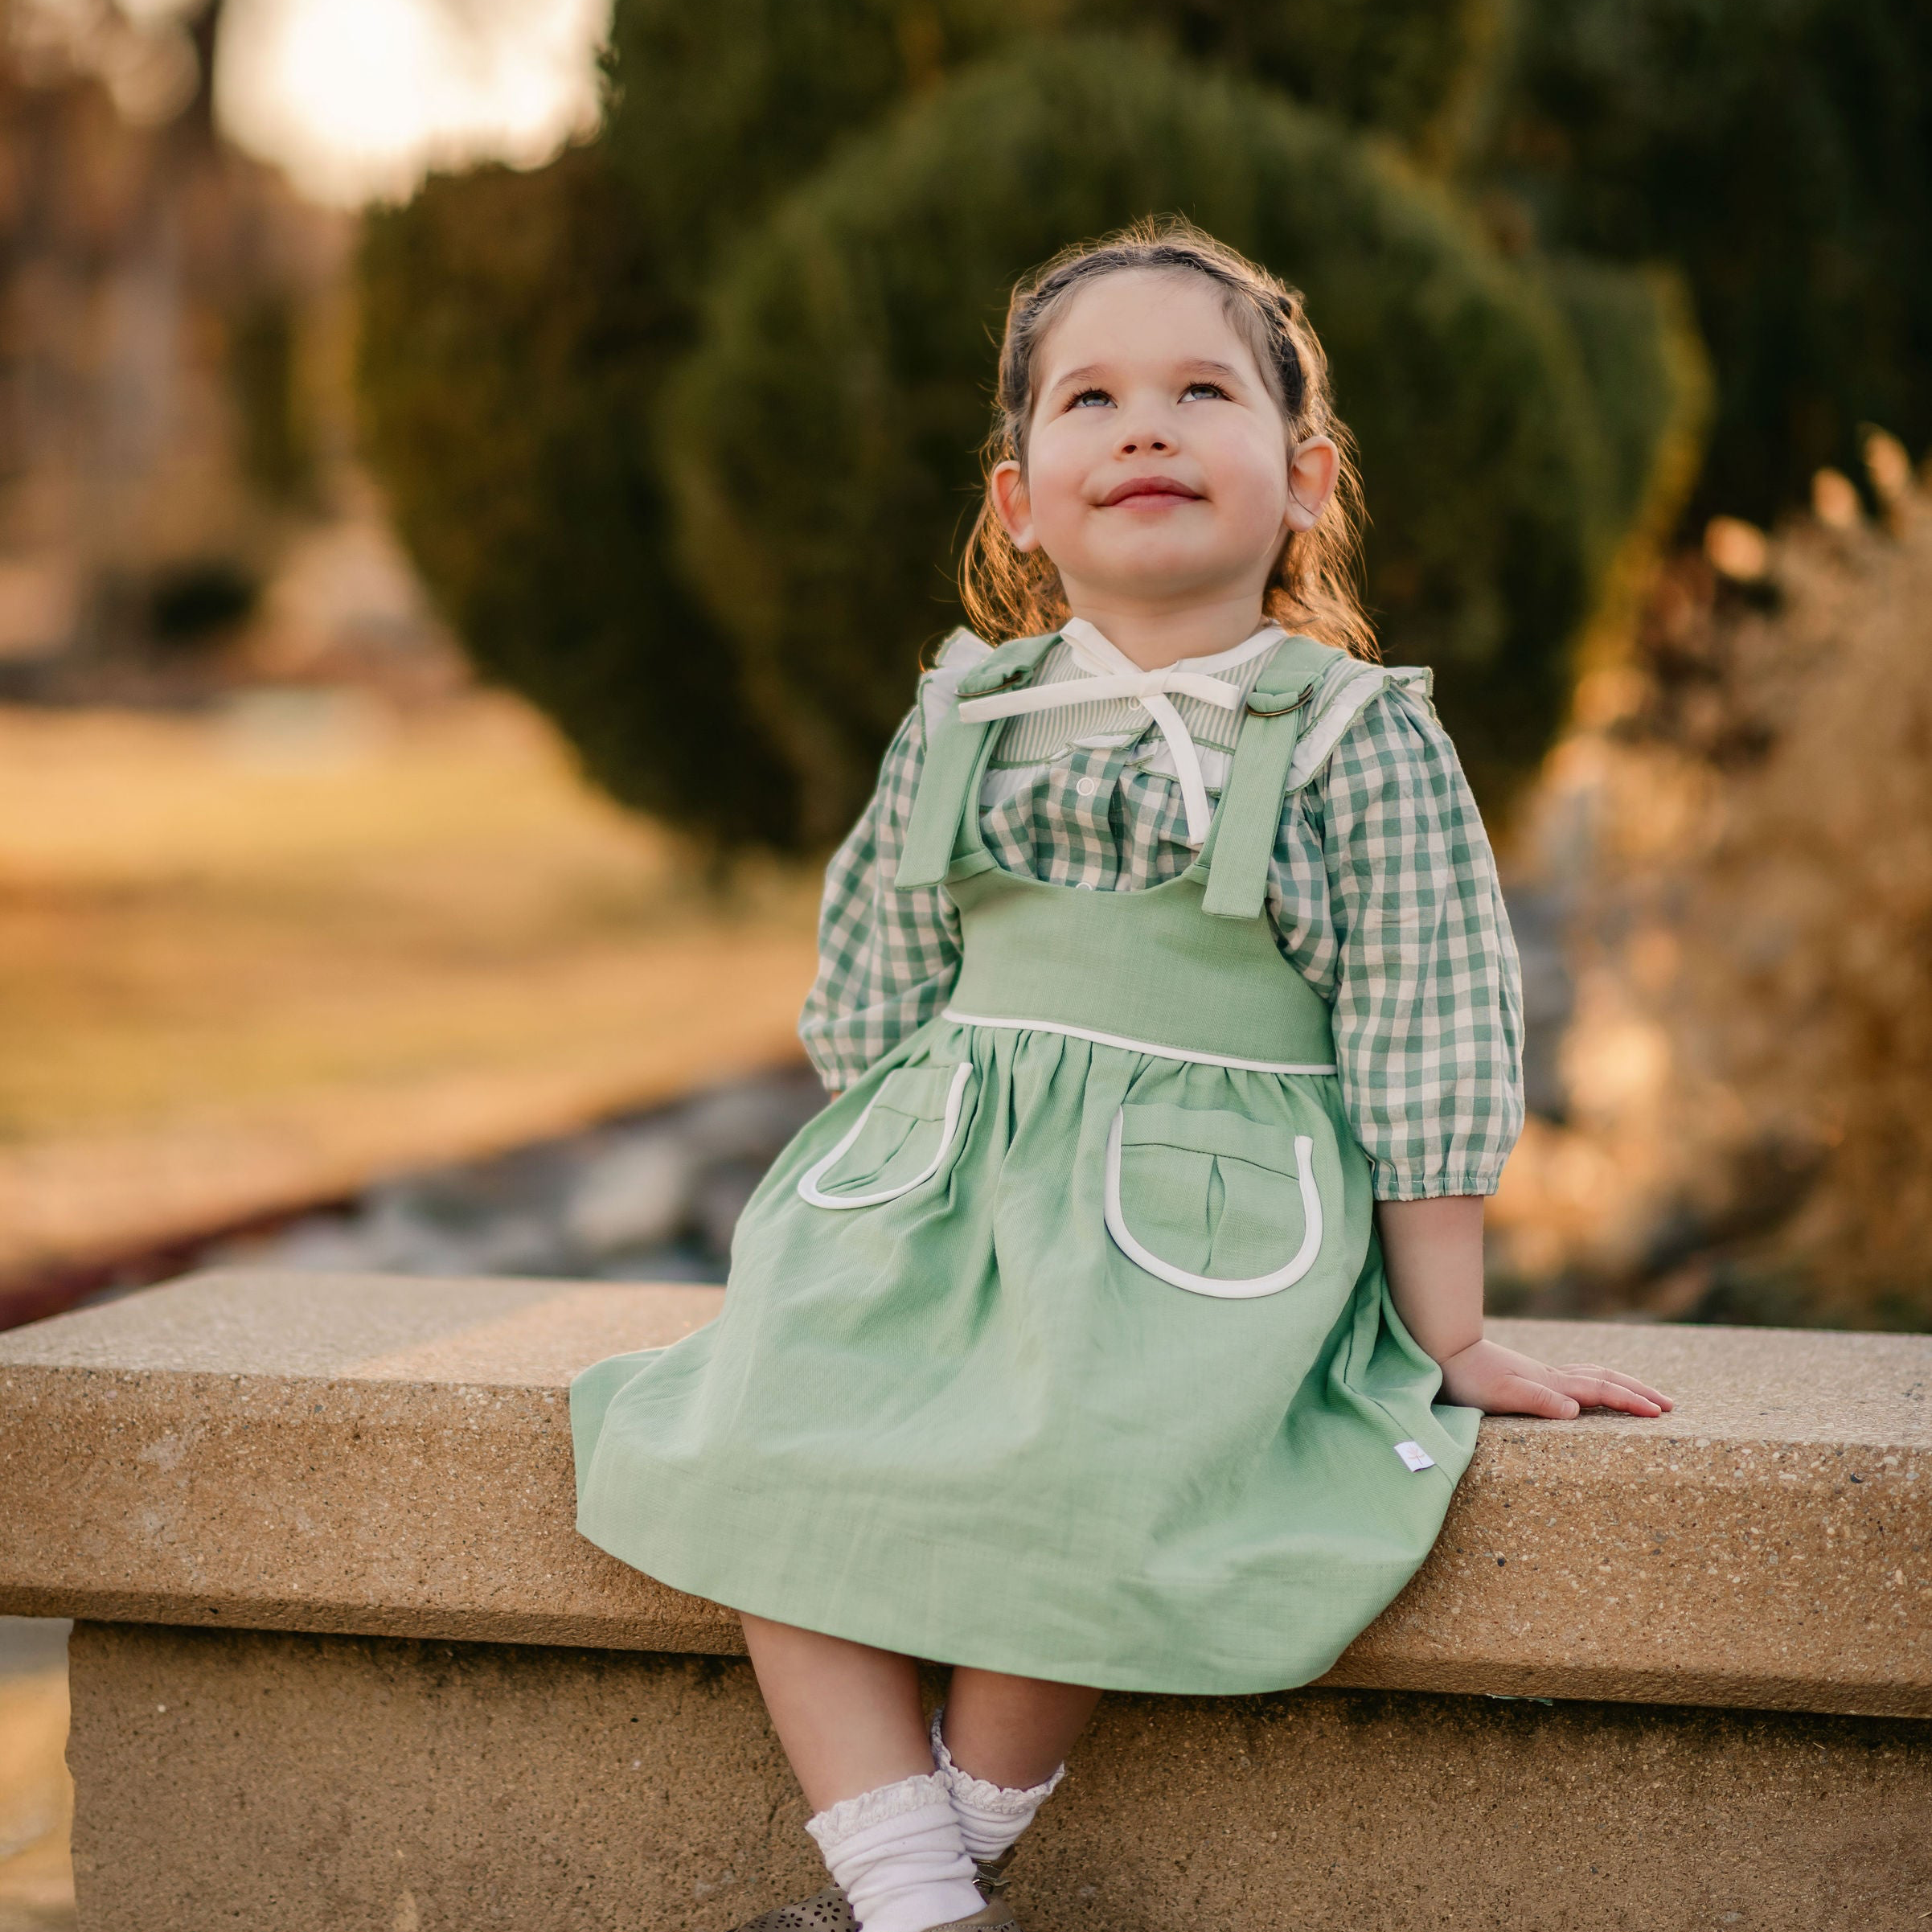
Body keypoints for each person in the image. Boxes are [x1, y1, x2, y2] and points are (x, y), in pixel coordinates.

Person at [570, 219, 1671, 1932]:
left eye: (1198, 391)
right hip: (942, 1194)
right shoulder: (964, 718)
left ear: (1303, 479)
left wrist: (1443, 1332)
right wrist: (891, 1207)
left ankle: (922, 1889)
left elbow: (1432, 1031)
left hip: (1199, 1232)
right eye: (1090, 398)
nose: (1143, 426)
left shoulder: (1353, 738)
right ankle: (928, 1903)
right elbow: (871, 984)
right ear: (1019, 500)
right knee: (765, 1448)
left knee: (1085, 1490)